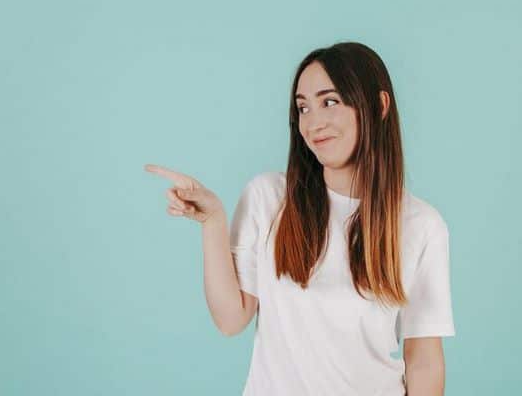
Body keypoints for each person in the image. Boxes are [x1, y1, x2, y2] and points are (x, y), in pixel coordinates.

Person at [144, 41, 455, 396]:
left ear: (379, 105)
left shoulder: (421, 225)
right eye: (303, 108)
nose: (313, 122)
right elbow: (231, 319)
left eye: (330, 102)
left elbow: (424, 360)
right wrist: (213, 221)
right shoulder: (268, 198)